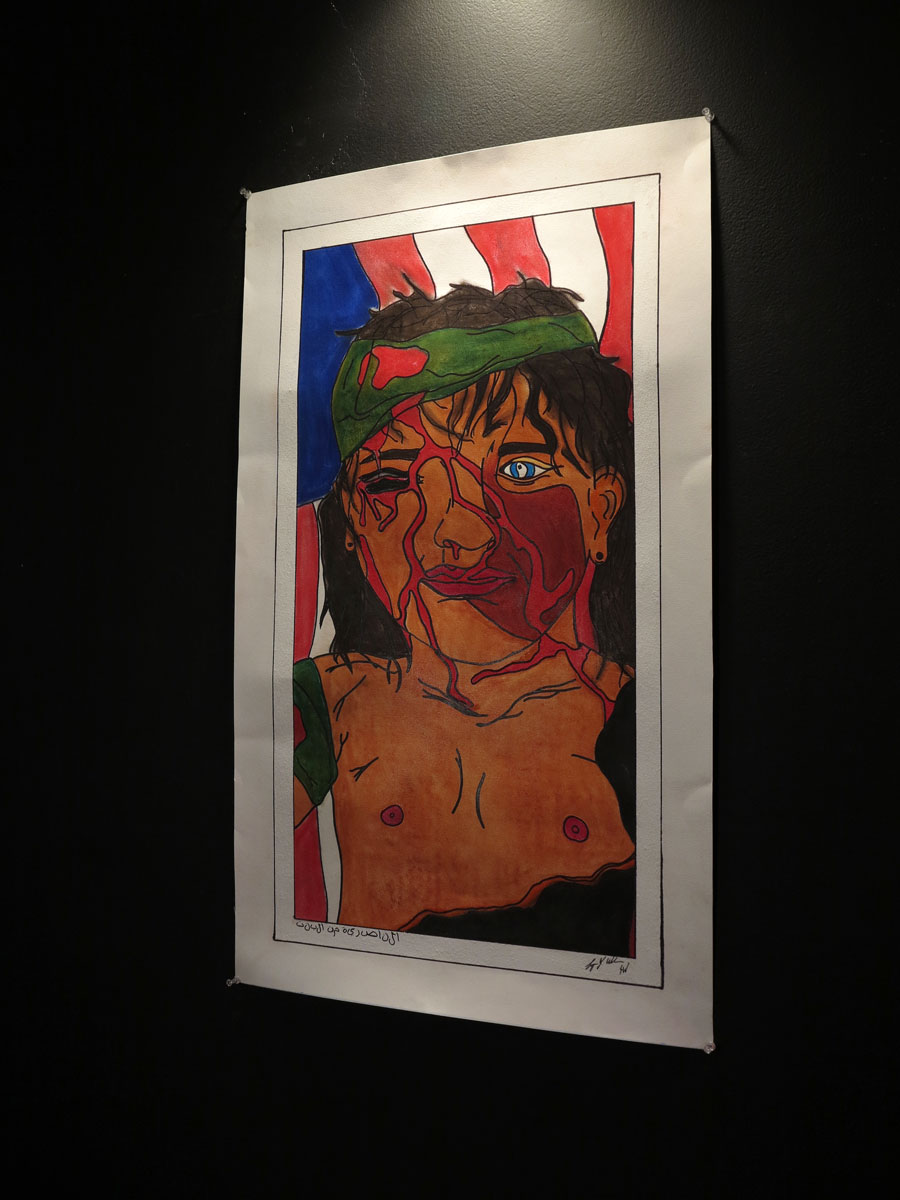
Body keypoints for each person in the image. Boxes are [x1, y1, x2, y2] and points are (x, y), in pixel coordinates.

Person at [293, 279, 637, 956]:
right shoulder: (326, 706)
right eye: (391, 481)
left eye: (521, 469)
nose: (457, 534)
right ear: (355, 523)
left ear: (600, 510)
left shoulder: (636, 718)